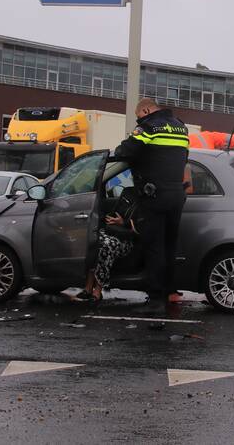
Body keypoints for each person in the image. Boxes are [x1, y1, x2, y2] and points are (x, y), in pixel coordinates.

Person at [113, 98, 189, 311]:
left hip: (154, 195)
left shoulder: (148, 127)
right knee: (169, 246)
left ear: (145, 110)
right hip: (176, 194)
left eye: (138, 116)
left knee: (154, 247)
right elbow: (183, 158)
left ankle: (155, 299)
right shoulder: (181, 128)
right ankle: (170, 291)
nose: (139, 119)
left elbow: (125, 152)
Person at [79, 212, 137, 301]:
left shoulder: (143, 203)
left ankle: (98, 290)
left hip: (124, 238)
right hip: (109, 230)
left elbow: (139, 227)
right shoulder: (126, 199)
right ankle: (88, 287)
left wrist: (124, 222)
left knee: (106, 247)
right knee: (95, 243)